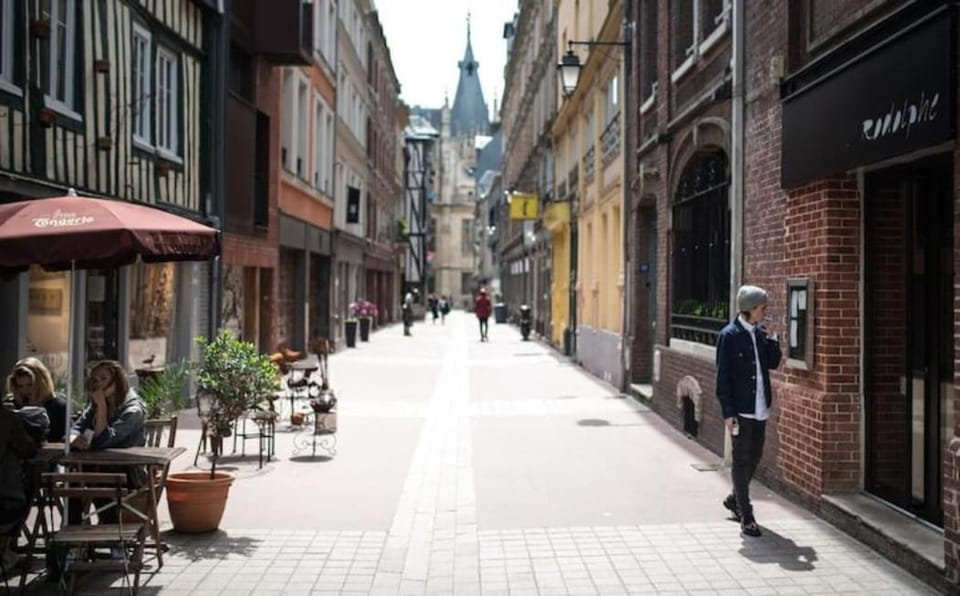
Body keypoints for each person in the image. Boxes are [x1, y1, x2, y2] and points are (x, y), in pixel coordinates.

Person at [715, 285, 782, 537]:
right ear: (751, 308)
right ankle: (746, 515)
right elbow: (722, 379)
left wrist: (773, 340)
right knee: (741, 459)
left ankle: (735, 498)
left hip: (760, 408)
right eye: (762, 308)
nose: (765, 311)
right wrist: (728, 412)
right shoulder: (729, 336)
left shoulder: (761, 333)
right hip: (741, 410)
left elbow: (773, 363)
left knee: (755, 456)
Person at [69, 360, 146, 527]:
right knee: (73, 480)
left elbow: (104, 440)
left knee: (98, 480)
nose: (99, 384)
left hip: (127, 473)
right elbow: (76, 427)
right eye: (95, 380)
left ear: (117, 381)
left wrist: (102, 407)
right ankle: (72, 532)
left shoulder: (133, 410)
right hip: (98, 468)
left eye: (104, 379)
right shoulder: (95, 405)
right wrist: (74, 438)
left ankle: (111, 534)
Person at [6, 357, 67, 443]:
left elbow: (66, 439)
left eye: (30, 384)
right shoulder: (11, 406)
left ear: (42, 382)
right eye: (20, 386)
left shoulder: (58, 407)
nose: (25, 391)